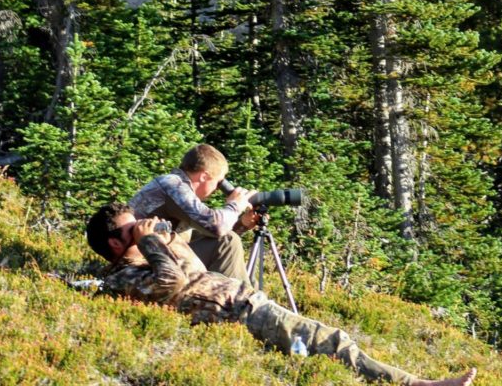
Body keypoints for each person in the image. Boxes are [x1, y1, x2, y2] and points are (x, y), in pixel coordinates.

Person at [86, 204, 477, 386]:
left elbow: (190, 260)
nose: (140, 229)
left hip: (244, 303)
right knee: (335, 342)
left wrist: (164, 235)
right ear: (114, 243)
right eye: (129, 229)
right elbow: (170, 282)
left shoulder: (148, 258)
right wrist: (151, 240)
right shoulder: (123, 277)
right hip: (237, 314)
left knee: (330, 344)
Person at [129, 143, 256, 284]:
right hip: (144, 263)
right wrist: (235, 206)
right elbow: (218, 228)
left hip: (154, 257)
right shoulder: (173, 185)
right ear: (203, 176)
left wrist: (242, 224)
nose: (216, 189)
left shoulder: (179, 191)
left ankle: (245, 297)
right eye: (218, 182)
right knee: (228, 242)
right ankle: (243, 303)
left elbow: (209, 235)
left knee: (231, 248)